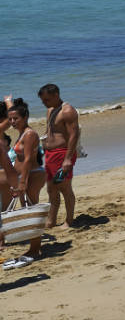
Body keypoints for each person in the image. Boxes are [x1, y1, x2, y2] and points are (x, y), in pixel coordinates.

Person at [1, 98, 42, 268]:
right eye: (10, 119)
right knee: (28, 211)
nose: (12, 122)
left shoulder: (30, 134)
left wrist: (23, 182)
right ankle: (34, 247)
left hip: (32, 175)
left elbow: (27, 160)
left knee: (32, 211)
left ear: (24, 118)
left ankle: (35, 248)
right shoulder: (23, 133)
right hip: (26, 176)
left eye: (15, 119)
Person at [37, 84, 80, 228]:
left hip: (62, 154)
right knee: (51, 188)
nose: (44, 103)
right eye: (43, 101)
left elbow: (74, 134)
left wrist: (68, 159)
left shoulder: (67, 111)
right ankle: (51, 220)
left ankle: (69, 221)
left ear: (56, 95)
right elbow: (49, 131)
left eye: (47, 100)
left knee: (64, 187)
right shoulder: (50, 110)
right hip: (50, 155)